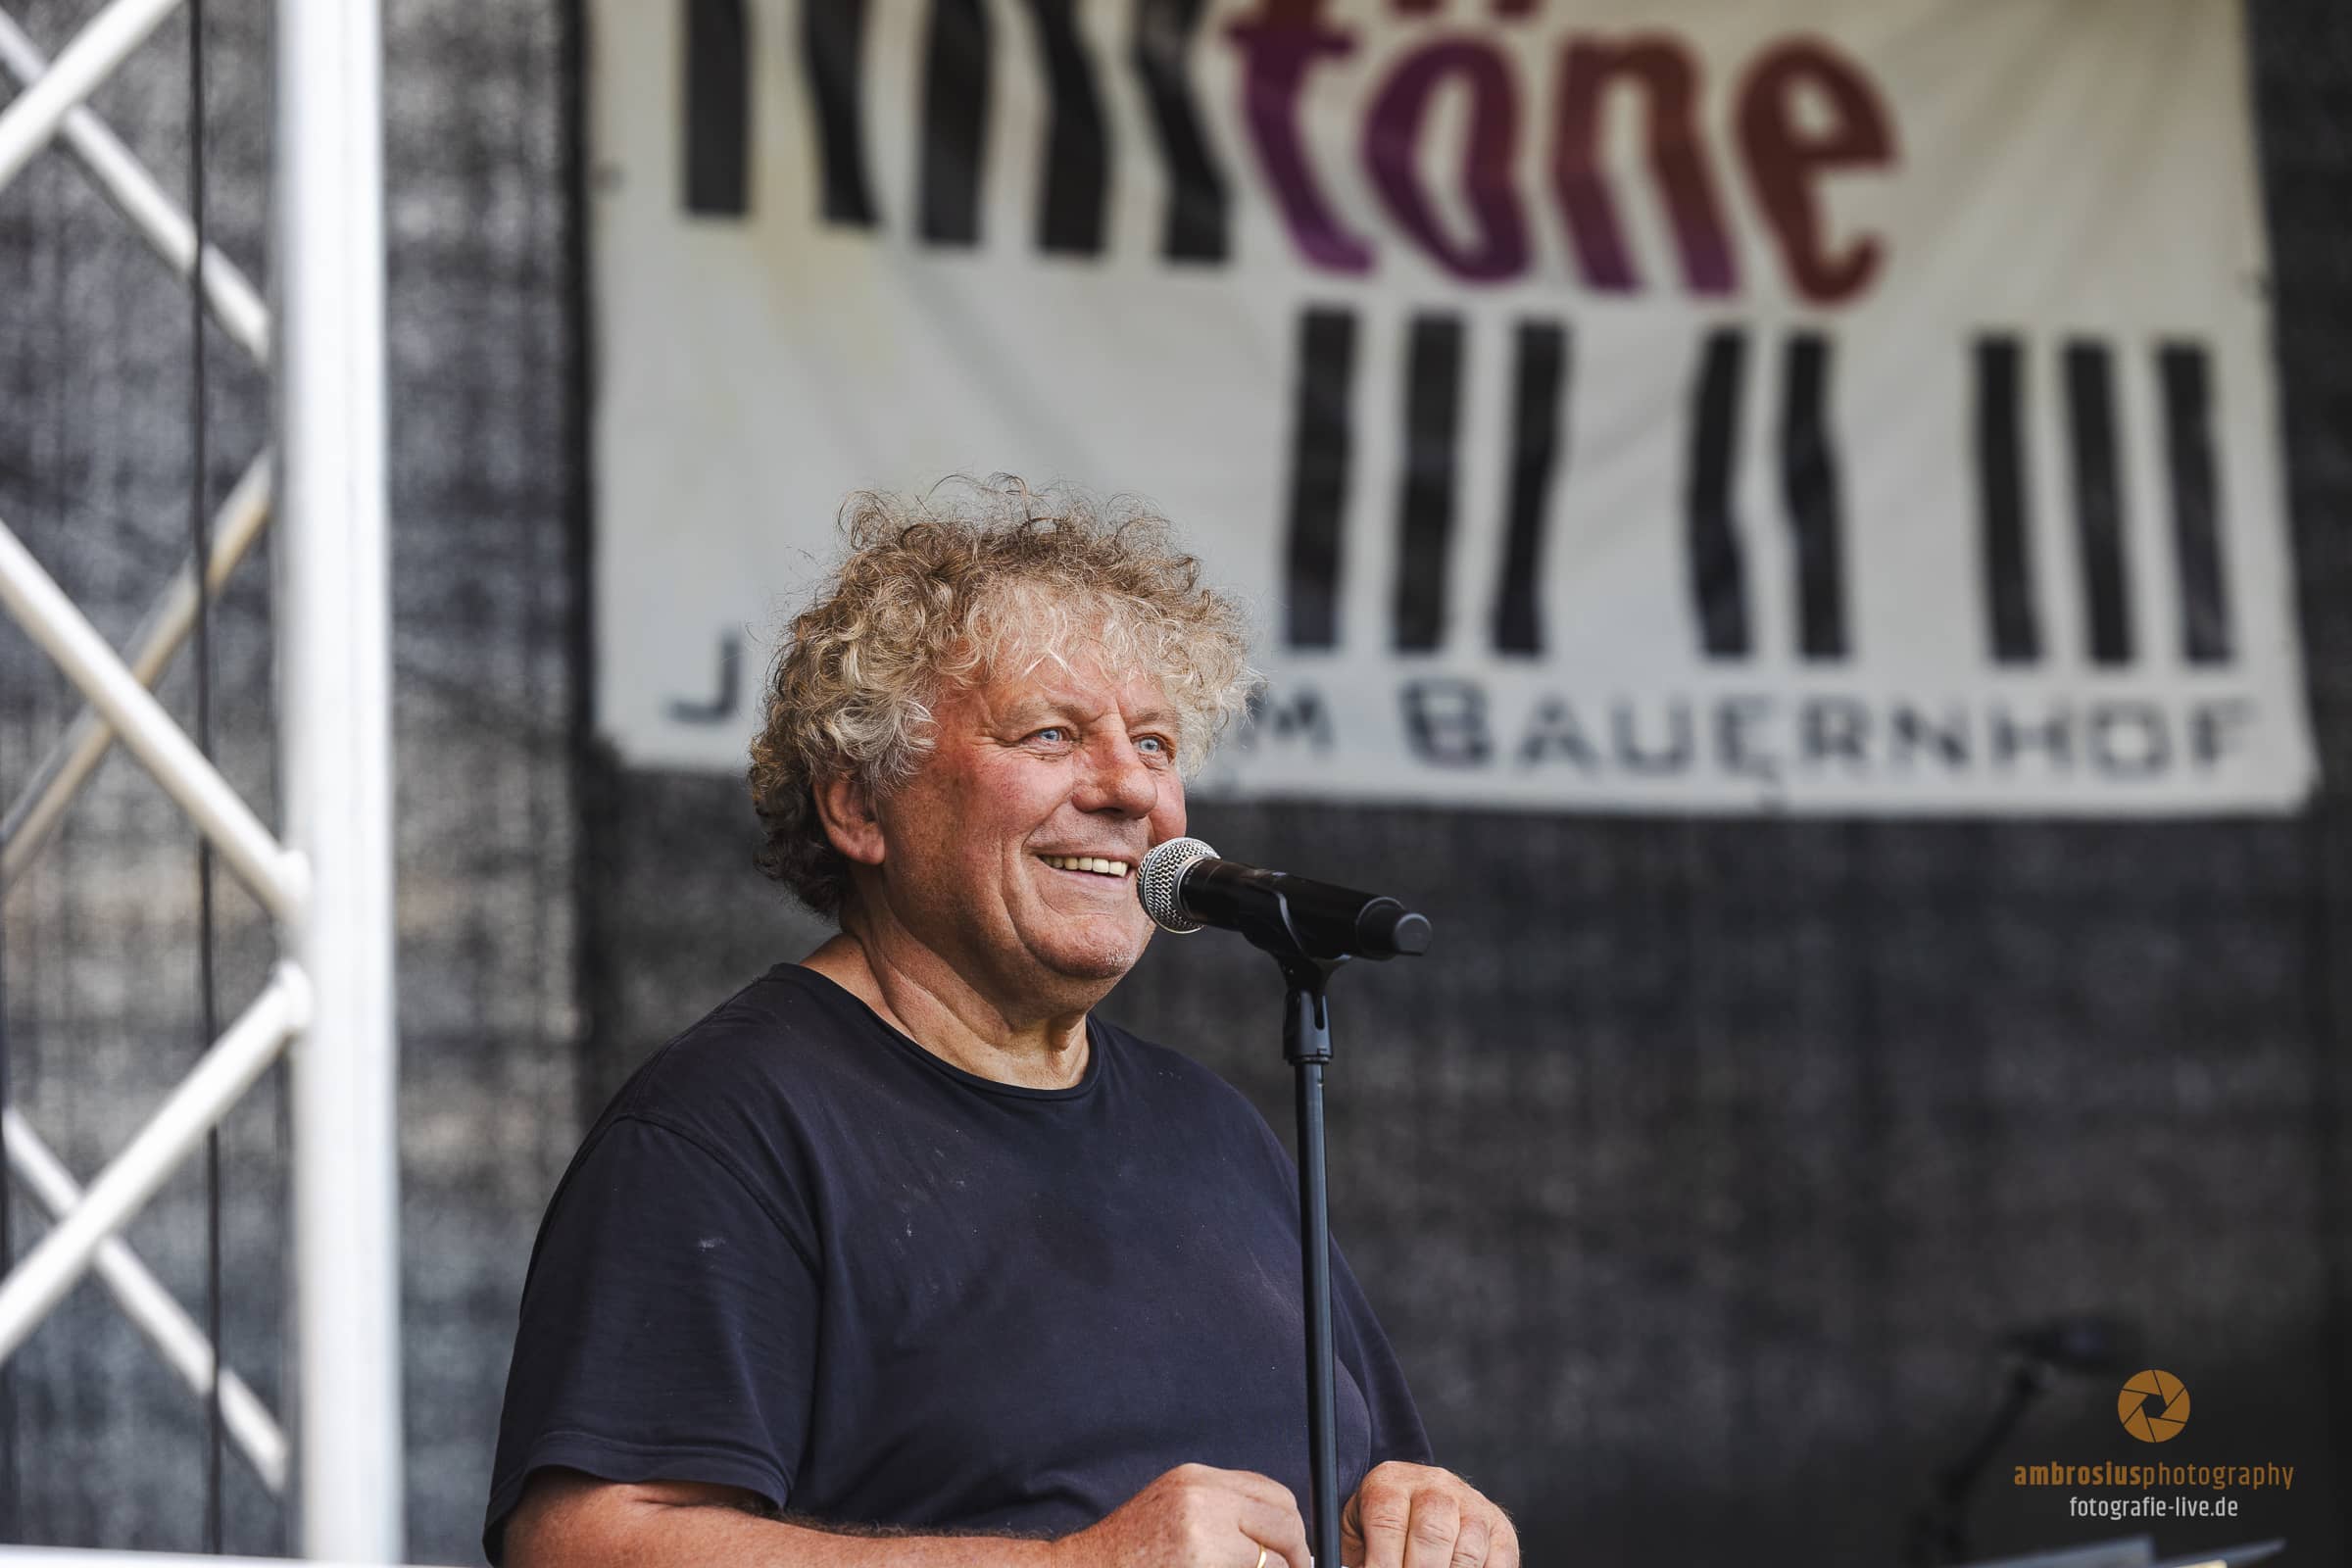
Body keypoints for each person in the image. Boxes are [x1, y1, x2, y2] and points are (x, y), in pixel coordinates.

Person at [485, 480, 1519, 1568]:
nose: (1129, 788)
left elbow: (1363, 1491)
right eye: (1050, 734)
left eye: (1156, 744)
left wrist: (1415, 1518)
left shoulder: (1214, 1127)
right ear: (860, 804)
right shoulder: (726, 1128)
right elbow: (584, 1546)